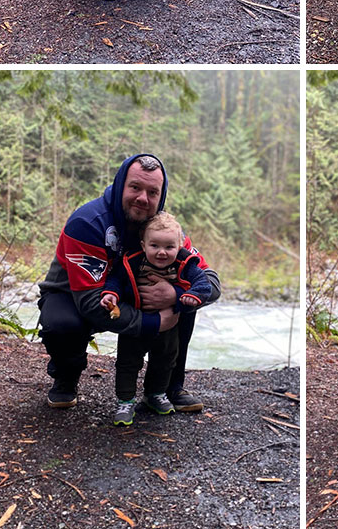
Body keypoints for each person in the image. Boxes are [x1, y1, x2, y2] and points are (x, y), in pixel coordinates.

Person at [38, 154, 221, 412]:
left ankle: (169, 386)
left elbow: (210, 281)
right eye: (135, 187)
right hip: (76, 295)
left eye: (152, 192)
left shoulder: (165, 230)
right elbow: (90, 302)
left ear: (162, 195)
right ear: (121, 184)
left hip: (130, 296)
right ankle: (66, 377)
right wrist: (153, 323)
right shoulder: (87, 223)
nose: (143, 198)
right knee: (63, 324)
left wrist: (175, 294)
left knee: (186, 301)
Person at [100, 211, 212, 426]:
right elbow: (115, 280)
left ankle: (155, 394)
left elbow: (203, 284)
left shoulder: (185, 263)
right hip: (136, 322)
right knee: (128, 361)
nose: (162, 253)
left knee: (166, 358)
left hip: (168, 323)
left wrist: (186, 297)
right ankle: (125, 400)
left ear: (180, 245)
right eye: (155, 246)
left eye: (169, 247)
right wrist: (111, 294)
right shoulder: (131, 262)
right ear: (143, 245)